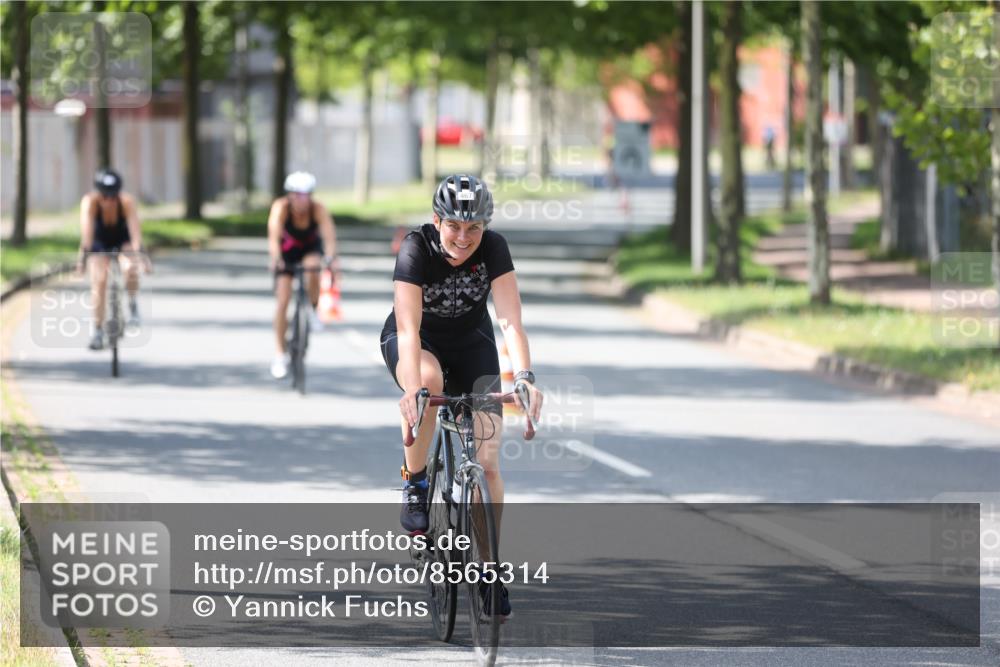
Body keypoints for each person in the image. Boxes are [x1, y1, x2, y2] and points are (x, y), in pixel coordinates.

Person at [379, 174, 543, 618]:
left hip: (473, 344)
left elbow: (510, 323)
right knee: (428, 382)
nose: (464, 238)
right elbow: (409, 329)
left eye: (474, 228)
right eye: (454, 226)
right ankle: (415, 483)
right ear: (437, 221)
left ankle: (488, 570)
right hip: (417, 343)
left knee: (488, 463)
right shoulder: (416, 248)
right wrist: (413, 389)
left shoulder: (494, 248)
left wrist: (525, 376)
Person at [267, 171, 338, 379]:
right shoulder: (280, 208)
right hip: (286, 252)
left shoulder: (318, 210)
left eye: (306, 195)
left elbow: (329, 236)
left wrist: (331, 258)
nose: (302, 200)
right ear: (289, 195)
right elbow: (273, 237)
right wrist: (276, 259)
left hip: (309, 249)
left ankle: (313, 309)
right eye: (297, 195)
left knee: (314, 267)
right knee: (282, 301)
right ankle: (280, 355)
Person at [77, 168, 150, 351]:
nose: (109, 201)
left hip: (121, 239)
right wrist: (82, 260)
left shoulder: (126, 202)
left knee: (129, 267)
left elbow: (135, 235)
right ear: (98, 194)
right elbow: (86, 236)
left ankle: (132, 304)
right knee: (99, 282)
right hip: (100, 241)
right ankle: (98, 331)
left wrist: (142, 258)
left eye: (113, 196)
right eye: (105, 196)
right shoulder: (90, 203)